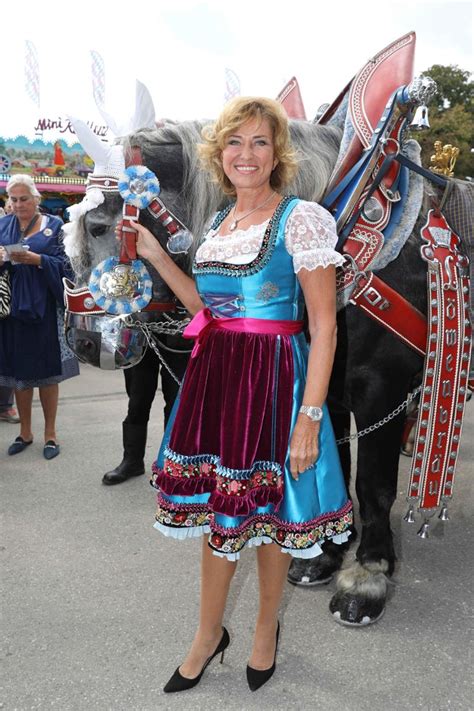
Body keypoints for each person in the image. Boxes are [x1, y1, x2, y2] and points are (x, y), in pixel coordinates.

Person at [127, 97, 352, 692]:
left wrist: (310, 418)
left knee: (270, 515)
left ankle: (262, 628)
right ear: (218, 154)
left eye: (259, 142)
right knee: (217, 515)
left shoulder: (301, 219)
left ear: (277, 153)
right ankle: (207, 634)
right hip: (218, 377)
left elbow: (323, 326)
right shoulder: (220, 221)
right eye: (234, 142)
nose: (245, 154)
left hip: (277, 379)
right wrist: (153, 255)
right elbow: (207, 310)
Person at [0, 174, 79, 459]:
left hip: (44, 308)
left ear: (36, 199)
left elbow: (69, 265)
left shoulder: (54, 226)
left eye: (24, 199)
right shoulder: (3, 225)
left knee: (46, 374)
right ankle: (25, 432)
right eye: (14, 199)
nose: (19, 204)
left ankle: (50, 434)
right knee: (20, 373)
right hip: (12, 311)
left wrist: (39, 260)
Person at [102, 340, 190, 485]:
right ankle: (132, 461)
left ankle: (172, 465)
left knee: (175, 406)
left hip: (178, 334)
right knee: (137, 402)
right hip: (141, 335)